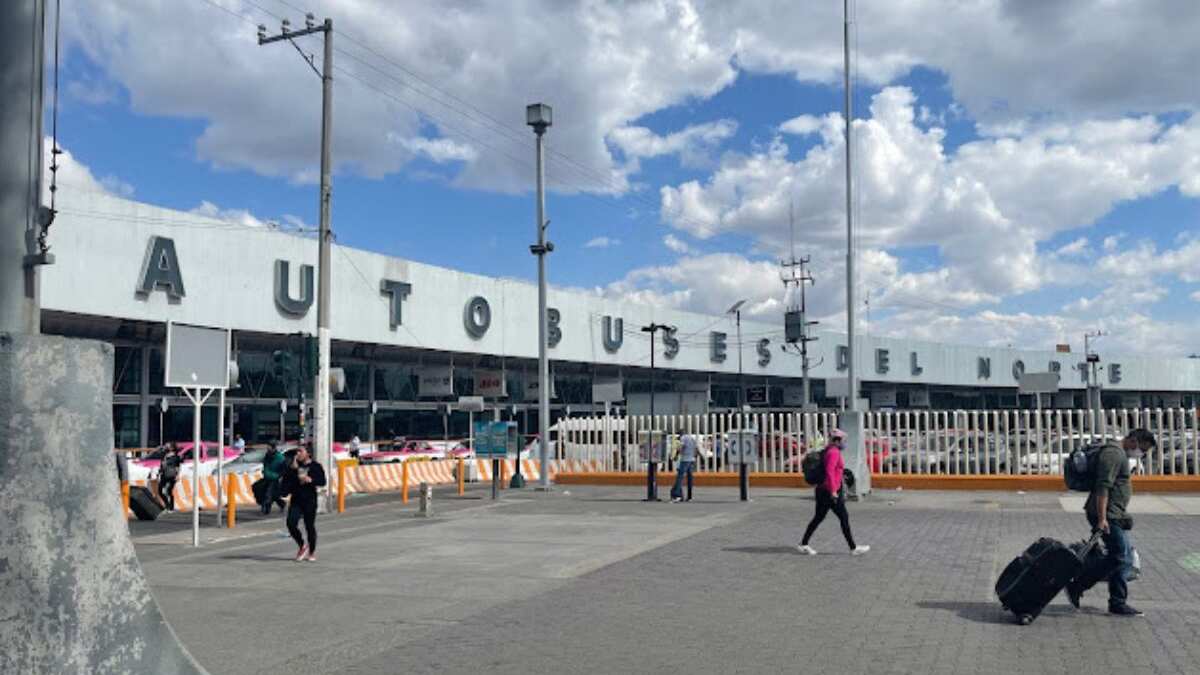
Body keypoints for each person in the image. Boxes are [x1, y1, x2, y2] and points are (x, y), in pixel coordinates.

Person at [1067, 428, 1155, 617]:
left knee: (1121, 557)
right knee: (1120, 557)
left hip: (1114, 514)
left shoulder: (1118, 453)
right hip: (1107, 515)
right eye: (1142, 449)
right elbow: (1103, 487)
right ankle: (1081, 585)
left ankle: (1115, 601)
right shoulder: (1113, 454)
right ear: (1133, 440)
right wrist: (1102, 519)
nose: (1141, 453)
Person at [798, 429, 869, 556]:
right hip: (829, 492)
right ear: (837, 441)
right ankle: (853, 548)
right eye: (843, 441)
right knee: (843, 517)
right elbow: (830, 472)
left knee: (818, 518)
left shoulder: (828, 450)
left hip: (822, 490)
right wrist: (834, 491)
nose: (845, 443)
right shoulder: (833, 453)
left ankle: (803, 544)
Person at [281, 444, 326, 562]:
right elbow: (286, 482)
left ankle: (311, 551)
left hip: (309, 500)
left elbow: (322, 481)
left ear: (308, 453)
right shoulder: (293, 467)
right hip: (296, 500)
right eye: (297, 452)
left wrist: (311, 480)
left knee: (309, 526)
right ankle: (302, 545)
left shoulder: (315, 466)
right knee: (291, 523)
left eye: (300, 451)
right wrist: (293, 470)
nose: (298, 454)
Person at [670, 433, 699, 503]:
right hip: (691, 460)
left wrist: (676, 455)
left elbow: (680, 447)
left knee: (680, 477)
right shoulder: (692, 438)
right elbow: (696, 449)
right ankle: (689, 497)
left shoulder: (683, 438)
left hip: (685, 460)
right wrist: (695, 456)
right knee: (690, 478)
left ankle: (677, 495)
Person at [260, 442, 288, 515]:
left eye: (269, 447)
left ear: (273, 448)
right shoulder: (267, 455)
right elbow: (265, 464)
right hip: (267, 477)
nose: (268, 449)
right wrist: (264, 471)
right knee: (273, 494)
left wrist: (280, 476)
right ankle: (282, 503)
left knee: (268, 493)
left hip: (275, 478)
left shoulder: (280, 458)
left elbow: (284, 469)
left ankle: (266, 509)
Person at [157, 443, 181, 512]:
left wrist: (177, 475)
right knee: (160, 491)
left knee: (169, 491)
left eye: (168, 446)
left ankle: (171, 507)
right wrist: (159, 473)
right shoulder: (164, 456)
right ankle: (167, 505)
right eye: (166, 446)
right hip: (164, 475)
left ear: (172, 448)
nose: (166, 447)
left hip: (172, 475)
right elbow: (161, 466)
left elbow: (178, 467)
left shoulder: (176, 457)